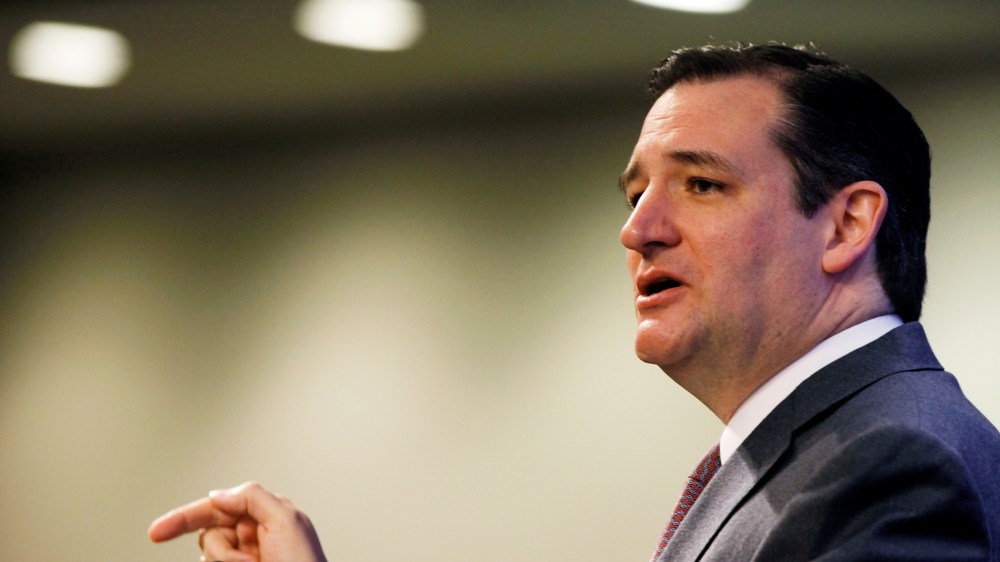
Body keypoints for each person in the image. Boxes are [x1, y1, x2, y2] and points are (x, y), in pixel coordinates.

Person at [148, 43, 1000, 561]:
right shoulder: (828, 448)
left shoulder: (892, 465)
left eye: (701, 184)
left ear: (847, 223)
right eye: (633, 195)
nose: (638, 232)